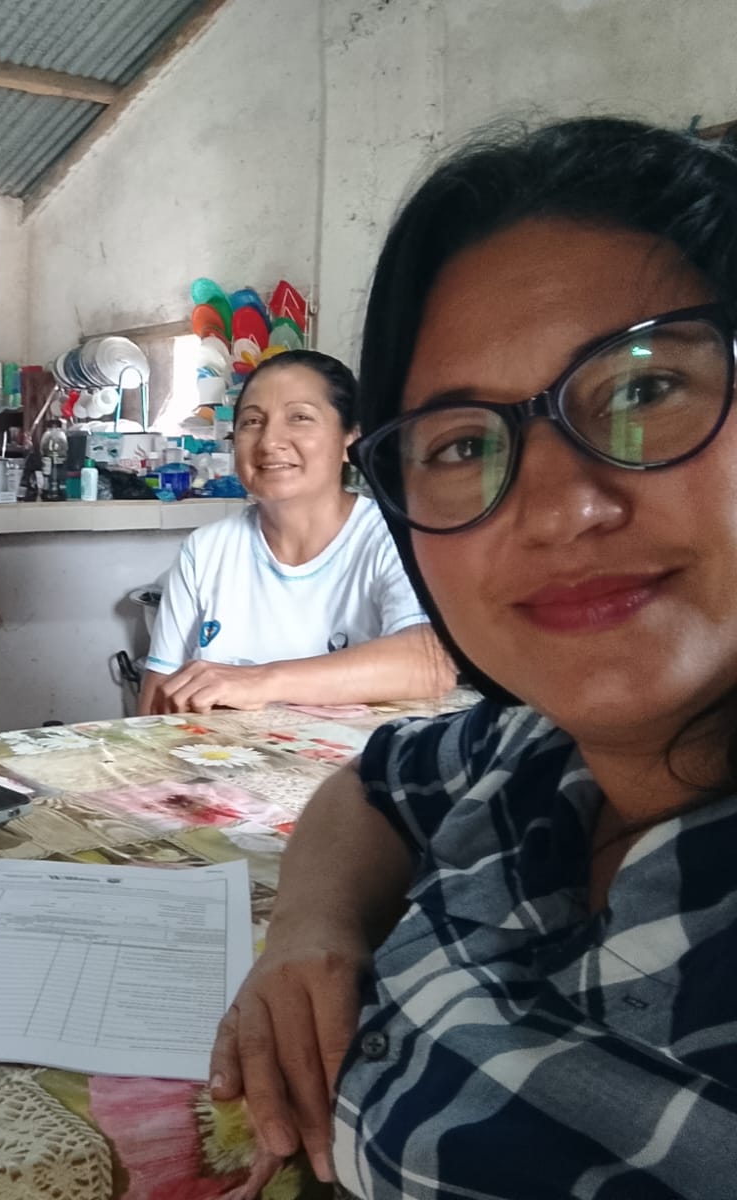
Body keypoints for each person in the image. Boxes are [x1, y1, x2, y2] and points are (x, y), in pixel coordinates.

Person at [208, 117, 737, 1197]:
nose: (556, 508)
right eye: (458, 444)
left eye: (642, 391)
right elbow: (374, 783)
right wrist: (311, 928)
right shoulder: (535, 755)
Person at [138, 350, 454, 714]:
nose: (269, 441)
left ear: (351, 440)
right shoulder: (206, 550)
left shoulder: (393, 539)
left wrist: (261, 681)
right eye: (252, 421)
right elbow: (154, 706)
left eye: (300, 417)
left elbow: (430, 663)